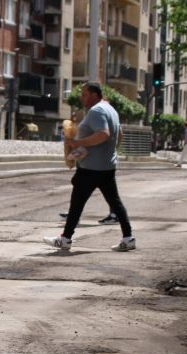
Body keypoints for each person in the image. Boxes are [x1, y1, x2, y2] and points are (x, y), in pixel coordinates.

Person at [44, 82, 135, 252]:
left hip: (91, 168)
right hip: (106, 165)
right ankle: (128, 237)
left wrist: (78, 142)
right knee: (115, 203)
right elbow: (119, 134)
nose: (82, 98)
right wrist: (110, 152)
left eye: (85, 94)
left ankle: (65, 239)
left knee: (77, 203)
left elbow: (103, 134)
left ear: (94, 95)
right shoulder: (111, 110)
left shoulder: (97, 111)